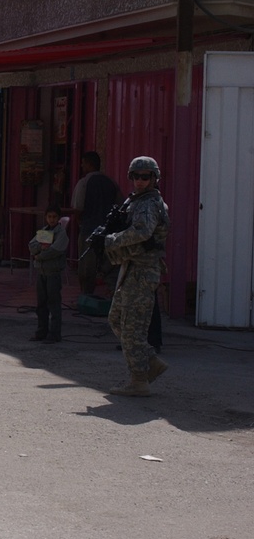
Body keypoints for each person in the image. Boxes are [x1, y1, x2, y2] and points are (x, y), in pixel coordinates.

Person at [106, 156, 170, 396]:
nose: (140, 182)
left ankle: (139, 380)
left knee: (133, 329)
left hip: (143, 271)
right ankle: (149, 361)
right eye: (136, 177)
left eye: (145, 177)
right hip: (132, 269)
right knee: (116, 319)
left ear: (154, 179)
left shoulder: (148, 204)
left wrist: (112, 240)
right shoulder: (138, 201)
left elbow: (142, 232)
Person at [71, 151, 121, 295]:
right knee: (110, 265)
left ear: (88, 164)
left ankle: (86, 296)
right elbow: (122, 206)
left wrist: (81, 224)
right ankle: (112, 296)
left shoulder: (84, 183)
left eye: (83, 163)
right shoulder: (111, 183)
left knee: (87, 267)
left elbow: (78, 208)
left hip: (89, 231)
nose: (81, 166)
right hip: (109, 233)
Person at [28, 204, 69, 344]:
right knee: (41, 305)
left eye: (54, 217)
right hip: (41, 272)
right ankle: (41, 331)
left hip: (53, 272)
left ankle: (55, 334)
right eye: (49, 217)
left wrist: (40, 255)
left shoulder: (61, 233)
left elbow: (55, 250)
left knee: (54, 304)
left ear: (58, 218)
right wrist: (41, 247)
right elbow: (32, 246)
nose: (51, 220)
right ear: (46, 218)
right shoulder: (44, 231)